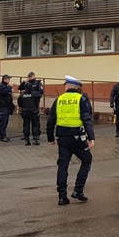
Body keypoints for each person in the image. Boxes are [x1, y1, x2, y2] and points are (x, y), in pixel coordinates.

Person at [46, 75, 95, 205]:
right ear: (77, 88)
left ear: (67, 86)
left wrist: (50, 138)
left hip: (62, 138)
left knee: (63, 165)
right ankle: (78, 190)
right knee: (87, 160)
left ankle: (62, 196)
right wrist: (91, 138)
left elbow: (50, 121)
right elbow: (87, 119)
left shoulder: (59, 99)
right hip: (77, 138)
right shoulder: (81, 99)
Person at [18, 71, 44, 145]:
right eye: (28, 77)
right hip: (33, 109)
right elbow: (20, 87)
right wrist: (24, 82)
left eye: (30, 76)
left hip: (28, 108)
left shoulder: (37, 83)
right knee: (33, 124)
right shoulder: (33, 94)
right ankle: (33, 138)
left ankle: (30, 138)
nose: (29, 78)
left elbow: (20, 102)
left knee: (30, 124)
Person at [0, 74, 15, 141]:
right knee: (3, 121)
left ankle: (3, 135)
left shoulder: (6, 87)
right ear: (5, 79)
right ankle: (2, 136)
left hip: (7, 106)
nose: (9, 80)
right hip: (3, 106)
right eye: (8, 79)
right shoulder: (1, 86)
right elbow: (2, 92)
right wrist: (10, 87)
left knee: (5, 122)